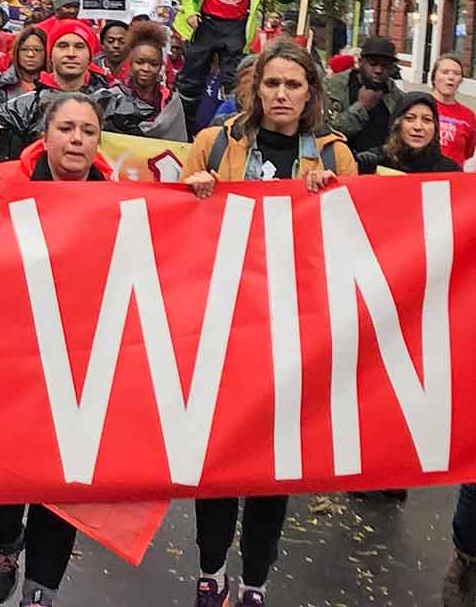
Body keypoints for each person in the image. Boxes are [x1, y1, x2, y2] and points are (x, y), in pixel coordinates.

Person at [181, 40, 355, 607]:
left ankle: (254, 581)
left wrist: (330, 203)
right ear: (256, 88)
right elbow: (169, 227)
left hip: (293, 333)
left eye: (294, 85)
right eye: (272, 83)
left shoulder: (333, 157)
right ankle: (210, 572)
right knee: (218, 459)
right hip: (222, 326)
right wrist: (194, 192)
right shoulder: (215, 142)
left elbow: (354, 241)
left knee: (273, 468)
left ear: (311, 95)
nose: (281, 94)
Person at [0, 93, 112, 607]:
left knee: (59, 487)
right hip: (5, 358)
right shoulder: (7, 178)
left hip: (76, 365)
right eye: (67, 128)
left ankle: (40, 593)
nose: (77, 139)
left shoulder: (118, 198)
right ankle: (6, 538)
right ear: (46, 135)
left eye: (88, 131)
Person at [175, 0, 314, 136]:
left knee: (236, 85)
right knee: (190, 81)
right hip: (205, 23)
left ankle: (234, 133)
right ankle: (183, 132)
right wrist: (191, 12)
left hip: (236, 28)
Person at [0, 20, 152, 161]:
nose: (71, 54)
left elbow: (135, 167)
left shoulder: (113, 106)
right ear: (50, 55)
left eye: (79, 47)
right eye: (63, 46)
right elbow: (8, 172)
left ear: (90, 56)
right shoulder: (23, 110)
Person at [323, 35, 403, 156]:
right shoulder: (334, 86)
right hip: (343, 162)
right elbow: (329, 131)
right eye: (373, 64)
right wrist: (362, 107)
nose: (378, 70)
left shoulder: (395, 94)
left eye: (385, 66)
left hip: (383, 165)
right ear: (360, 62)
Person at [354, 91, 461, 175]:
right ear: (397, 124)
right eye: (410, 118)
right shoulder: (376, 160)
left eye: (427, 120)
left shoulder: (450, 171)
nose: (418, 127)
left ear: (436, 127)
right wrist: (361, 166)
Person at [114, 20, 171, 110]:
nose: (146, 68)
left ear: (161, 66)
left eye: (153, 64)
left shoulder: (169, 99)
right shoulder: (115, 96)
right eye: (140, 62)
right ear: (131, 63)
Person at [430, 55, 475, 166]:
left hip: (453, 177)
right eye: (445, 72)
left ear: (460, 80)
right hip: (421, 175)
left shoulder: (468, 116)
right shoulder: (419, 106)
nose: (451, 77)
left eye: (456, 73)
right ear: (434, 78)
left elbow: (468, 153)